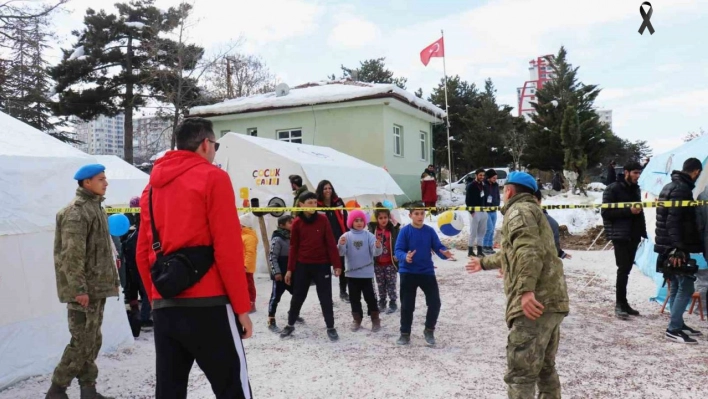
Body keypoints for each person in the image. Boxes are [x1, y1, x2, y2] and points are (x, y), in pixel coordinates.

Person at [136, 118, 253, 398]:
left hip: (166, 305)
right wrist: (241, 307)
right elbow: (228, 247)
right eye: (215, 144)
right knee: (232, 388)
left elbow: (142, 252)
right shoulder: (213, 177)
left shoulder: (150, 188)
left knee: (169, 391)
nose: (215, 150)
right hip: (209, 304)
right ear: (204, 144)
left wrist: (155, 298)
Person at [466, 171, 569, 398]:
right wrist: (483, 263)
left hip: (535, 304)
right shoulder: (534, 211)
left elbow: (528, 251)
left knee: (521, 374)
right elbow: (514, 252)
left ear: (509, 191)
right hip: (553, 301)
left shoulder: (518, 211)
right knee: (544, 368)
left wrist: (525, 291)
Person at [46, 164, 119, 399]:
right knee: (81, 341)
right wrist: (79, 289)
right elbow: (72, 255)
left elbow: (98, 250)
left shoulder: (95, 208)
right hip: (84, 290)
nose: (105, 183)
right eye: (101, 179)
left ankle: (88, 389)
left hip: (96, 287)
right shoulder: (77, 212)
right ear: (87, 183)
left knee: (92, 340)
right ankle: (57, 389)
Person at [281, 191, 343, 341]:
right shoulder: (297, 222)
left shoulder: (323, 220)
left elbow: (330, 243)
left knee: (325, 297)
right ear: (301, 205)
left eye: (314, 202)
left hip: (321, 265)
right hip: (303, 265)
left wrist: (336, 264)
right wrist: (290, 269)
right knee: (298, 296)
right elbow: (293, 247)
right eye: (309, 203)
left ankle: (330, 327)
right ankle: (290, 324)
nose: (312, 205)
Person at [654, 157, 703, 344]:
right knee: (686, 286)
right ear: (696, 172)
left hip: (668, 245)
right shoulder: (682, 190)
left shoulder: (669, 186)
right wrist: (678, 249)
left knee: (675, 286)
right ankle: (673, 328)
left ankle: (678, 323)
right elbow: (673, 222)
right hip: (675, 247)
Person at [394, 202, 454, 346]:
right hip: (408, 272)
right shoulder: (404, 231)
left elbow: (438, 247)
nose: (420, 216)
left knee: (435, 302)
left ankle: (429, 330)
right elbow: (398, 250)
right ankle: (405, 333)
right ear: (410, 215)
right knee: (407, 305)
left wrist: (444, 253)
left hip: (426, 271)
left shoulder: (430, 231)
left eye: (422, 213)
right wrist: (405, 257)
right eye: (416, 213)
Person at [600, 161, 647, 319]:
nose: (637, 176)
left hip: (633, 235)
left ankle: (624, 302)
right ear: (626, 172)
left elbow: (638, 212)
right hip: (620, 235)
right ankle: (619, 304)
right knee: (622, 270)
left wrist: (642, 230)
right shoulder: (613, 188)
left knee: (626, 270)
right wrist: (629, 211)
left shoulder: (635, 188)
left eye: (639, 173)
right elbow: (606, 213)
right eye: (635, 173)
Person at [338, 210, 383, 332]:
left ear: (365, 222)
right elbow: (341, 253)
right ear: (351, 222)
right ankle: (357, 319)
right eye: (356, 220)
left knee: (370, 298)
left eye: (361, 220)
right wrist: (341, 245)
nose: (359, 223)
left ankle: (375, 319)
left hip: (366, 274)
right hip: (351, 274)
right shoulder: (346, 236)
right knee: (354, 298)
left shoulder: (369, 235)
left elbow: (376, 253)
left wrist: (378, 246)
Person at [121, 196, 152, 338]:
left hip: (131, 265)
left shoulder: (133, 232)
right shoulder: (138, 232)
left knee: (136, 290)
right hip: (136, 264)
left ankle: (139, 316)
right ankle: (143, 318)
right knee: (144, 291)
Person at [267, 215, 303, 332]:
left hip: (293, 274)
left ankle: (293, 313)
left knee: (298, 295)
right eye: (290, 223)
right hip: (280, 275)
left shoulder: (295, 237)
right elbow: (272, 256)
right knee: (275, 297)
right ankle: (271, 319)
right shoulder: (278, 239)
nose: (293, 225)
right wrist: (276, 272)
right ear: (282, 225)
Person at [316, 180, 350, 303]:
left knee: (342, 265)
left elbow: (346, 217)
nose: (328, 191)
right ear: (320, 190)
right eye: (325, 188)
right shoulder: (317, 205)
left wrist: (347, 233)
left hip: (340, 236)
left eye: (329, 188)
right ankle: (327, 296)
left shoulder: (339, 202)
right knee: (325, 268)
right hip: (324, 240)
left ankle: (343, 291)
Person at [368, 203, 401, 314]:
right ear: (377, 219)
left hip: (390, 262)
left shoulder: (393, 230)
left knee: (391, 283)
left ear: (389, 217)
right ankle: (382, 301)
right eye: (380, 218)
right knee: (380, 283)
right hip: (378, 263)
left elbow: (398, 244)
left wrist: (397, 255)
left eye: (385, 217)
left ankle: (393, 301)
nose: (383, 220)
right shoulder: (372, 230)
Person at [534, 190, 572, 261]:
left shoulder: (550, 222)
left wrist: (560, 253)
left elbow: (553, 244)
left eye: (533, 199)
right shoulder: (513, 219)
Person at [465, 168, 488, 257]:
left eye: (483, 175)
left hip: (483, 211)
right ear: (476, 175)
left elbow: (485, 198)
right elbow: (468, 200)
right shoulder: (471, 186)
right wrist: (471, 211)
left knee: (482, 232)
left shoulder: (483, 185)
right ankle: (470, 250)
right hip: (474, 212)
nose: (482, 177)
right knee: (473, 232)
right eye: (480, 175)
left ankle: (480, 250)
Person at [240, 213, 259, 314]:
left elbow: (250, 253)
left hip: (246, 267)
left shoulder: (249, 237)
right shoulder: (243, 235)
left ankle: (251, 304)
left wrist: (246, 265)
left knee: (249, 285)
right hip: (241, 266)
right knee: (243, 286)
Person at [482, 169, 501, 255]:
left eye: (496, 178)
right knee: (488, 228)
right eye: (493, 178)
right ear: (489, 177)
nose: (495, 179)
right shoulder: (483, 185)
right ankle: (484, 246)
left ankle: (489, 246)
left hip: (494, 209)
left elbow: (497, 195)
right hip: (486, 210)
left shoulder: (496, 185)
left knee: (492, 229)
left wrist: (497, 202)